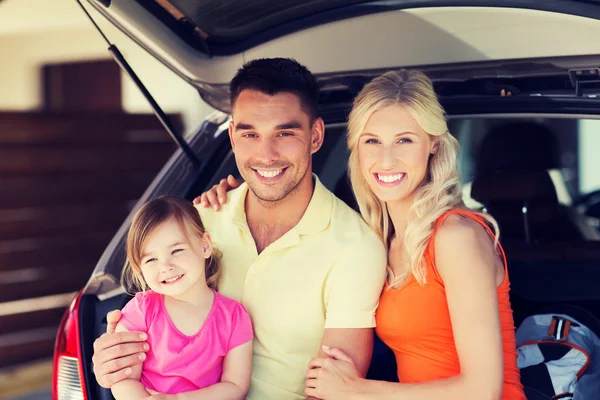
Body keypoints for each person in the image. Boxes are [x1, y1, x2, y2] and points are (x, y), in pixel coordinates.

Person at [205, 70, 526, 400]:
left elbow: (482, 390)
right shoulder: (379, 240)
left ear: (433, 145)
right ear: (356, 149)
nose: (387, 160)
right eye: (372, 141)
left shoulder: (457, 236)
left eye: (404, 140)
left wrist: (357, 391)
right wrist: (237, 196)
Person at [91, 58, 387, 400]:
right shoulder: (200, 221)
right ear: (232, 136)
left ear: (315, 136)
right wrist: (112, 363)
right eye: (250, 134)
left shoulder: (355, 247)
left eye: (285, 133)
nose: (266, 154)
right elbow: (146, 330)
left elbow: (336, 390)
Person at [111, 195, 253, 400]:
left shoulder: (234, 317)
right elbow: (124, 380)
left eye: (176, 250)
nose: (165, 266)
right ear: (140, 268)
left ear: (205, 246)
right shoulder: (141, 311)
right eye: (151, 259)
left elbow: (236, 386)